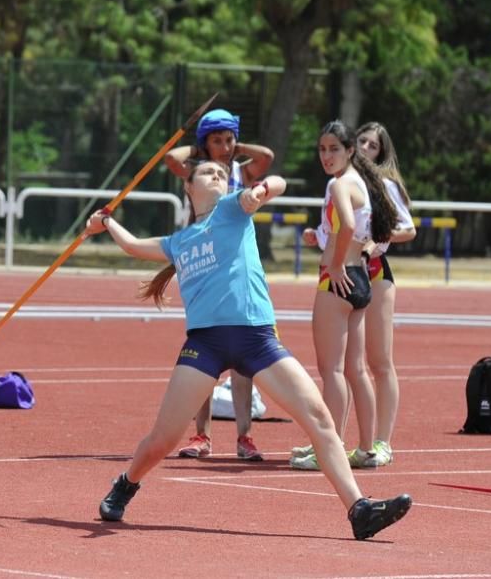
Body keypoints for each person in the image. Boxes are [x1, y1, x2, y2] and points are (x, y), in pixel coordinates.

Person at [88, 159, 412, 539]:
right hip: (204, 344)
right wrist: (105, 222)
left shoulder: (233, 208)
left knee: (320, 419)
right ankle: (126, 484)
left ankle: (359, 510)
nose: (218, 177)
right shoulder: (178, 242)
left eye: (223, 174)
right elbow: (132, 247)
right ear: (189, 187)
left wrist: (263, 190)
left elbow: (279, 181)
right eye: (209, 173)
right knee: (164, 438)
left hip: (256, 339)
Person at [163, 108, 274, 462]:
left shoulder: (240, 171)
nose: (224, 147)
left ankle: (245, 438)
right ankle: (201, 436)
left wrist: (236, 145)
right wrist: (197, 149)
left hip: (239, 265)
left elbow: (267, 157)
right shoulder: (198, 172)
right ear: (203, 142)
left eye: (229, 140)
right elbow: (170, 158)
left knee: (243, 360)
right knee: (206, 354)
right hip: (206, 262)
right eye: (217, 140)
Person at [291, 120, 399, 471]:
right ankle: (366, 447)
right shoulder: (361, 183)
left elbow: (349, 227)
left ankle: (331, 446)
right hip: (360, 279)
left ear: (350, 150)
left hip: (337, 281)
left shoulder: (340, 183)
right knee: (356, 370)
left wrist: (334, 266)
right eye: (322, 149)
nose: (326, 156)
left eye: (334, 149)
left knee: (332, 371)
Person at [352, 121, 416, 465]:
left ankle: (383, 441)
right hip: (345, 273)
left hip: (376, 274)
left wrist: (380, 240)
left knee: (379, 361)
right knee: (347, 363)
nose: (364, 147)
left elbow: (409, 228)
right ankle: (348, 440)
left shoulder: (385, 184)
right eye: (360, 140)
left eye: (371, 145)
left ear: (381, 152)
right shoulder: (343, 181)